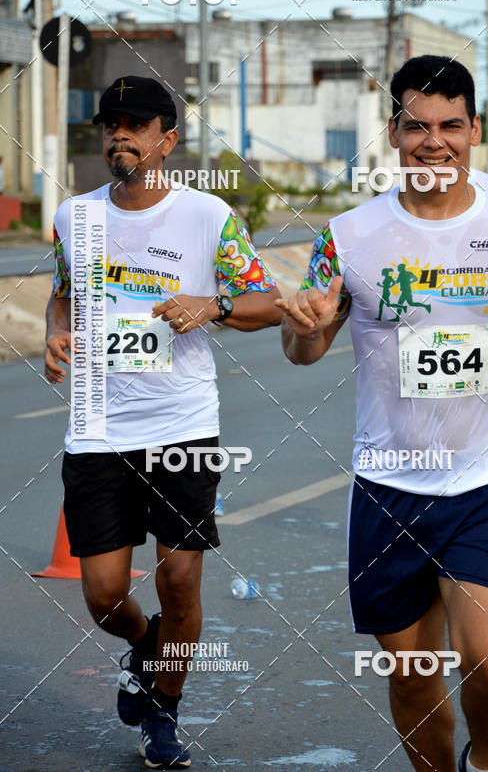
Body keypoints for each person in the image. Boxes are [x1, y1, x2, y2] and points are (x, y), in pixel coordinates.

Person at [276, 54, 488, 772]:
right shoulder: (346, 237)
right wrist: (309, 325)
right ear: (394, 131)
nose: (434, 142)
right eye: (417, 126)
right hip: (387, 489)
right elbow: (301, 349)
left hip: (485, 483)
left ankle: (487, 762)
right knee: (415, 683)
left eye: (450, 125)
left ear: (474, 130)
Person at [44, 75, 281, 769]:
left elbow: (266, 299)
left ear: (166, 140)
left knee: (180, 582)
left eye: (135, 123)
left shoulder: (207, 215)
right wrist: (59, 333)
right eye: (110, 122)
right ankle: (145, 647)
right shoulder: (73, 218)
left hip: (181, 423)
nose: (119, 133)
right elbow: (62, 295)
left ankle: (165, 715)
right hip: (97, 428)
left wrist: (213, 305)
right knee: (103, 594)